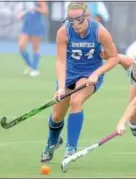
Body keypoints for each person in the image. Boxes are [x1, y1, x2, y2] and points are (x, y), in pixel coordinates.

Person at [40, 2, 119, 163]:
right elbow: (61, 61)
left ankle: (71, 148)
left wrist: (97, 73)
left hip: (89, 74)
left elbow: (114, 58)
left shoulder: (99, 31)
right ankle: (52, 142)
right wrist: (61, 87)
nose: (75, 24)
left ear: (87, 17)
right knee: (57, 115)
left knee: (76, 101)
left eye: (78, 20)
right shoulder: (64, 32)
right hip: (69, 74)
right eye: (71, 20)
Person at [17, 1, 48, 77]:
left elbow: (45, 12)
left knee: (35, 48)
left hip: (36, 26)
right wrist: (20, 15)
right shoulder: (24, 2)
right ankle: (31, 66)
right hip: (26, 26)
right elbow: (21, 13)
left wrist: (35, 8)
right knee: (21, 46)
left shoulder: (40, 1)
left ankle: (35, 69)